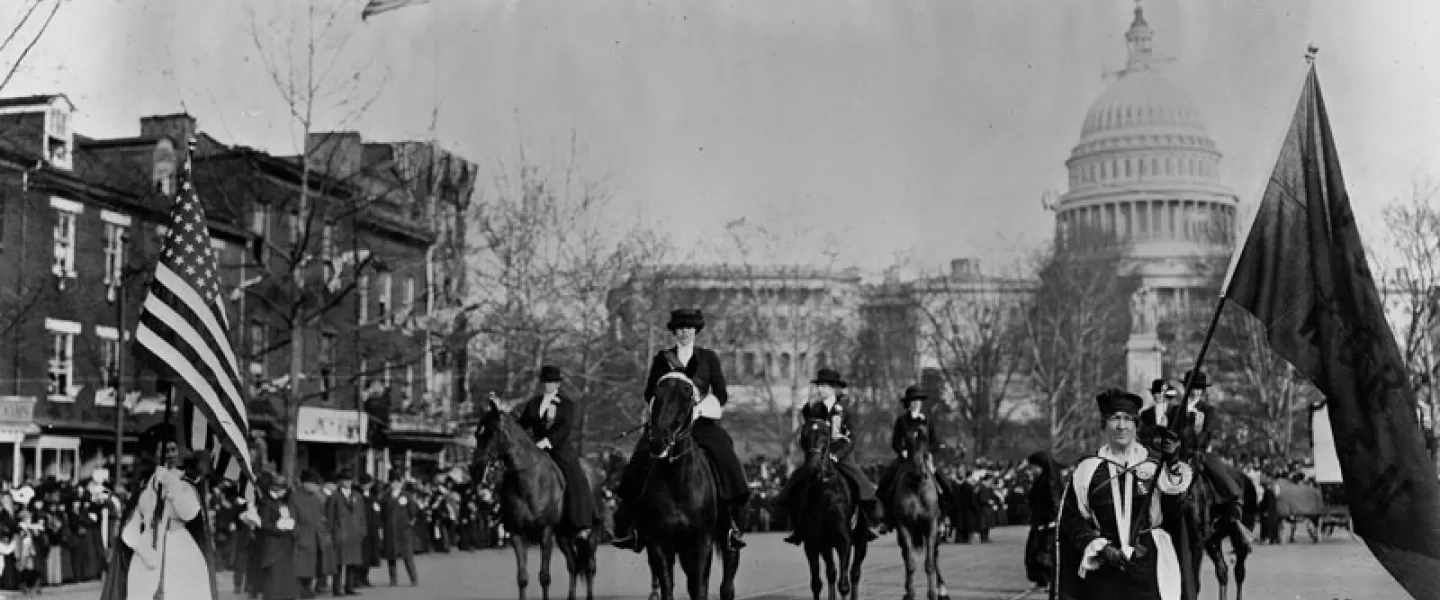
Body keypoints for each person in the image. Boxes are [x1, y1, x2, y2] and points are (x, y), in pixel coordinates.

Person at [611, 308, 751, 551]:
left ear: (696, 331)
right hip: (667, 423)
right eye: (680, 329)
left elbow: (720, 393)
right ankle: (632, 526)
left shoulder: (708, 358)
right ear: (674, 332)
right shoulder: (662, 358)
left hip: (700, 422)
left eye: (689, 329)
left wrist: (699, 408)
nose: (684, 333)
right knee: (640, 458)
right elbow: (649, 393)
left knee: (725, 454)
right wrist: (661, 414)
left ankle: (730, 524)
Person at [1054, 389, 1195, 600]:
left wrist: (1173, 462)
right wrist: (1098, 547)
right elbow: (1072, 520)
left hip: (1150, 566)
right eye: (1115, 419)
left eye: (1128, 419)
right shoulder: (1088, 470)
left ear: (1136, 425)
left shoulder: (1155, 466)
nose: (1122, 426)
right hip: (1105, 569)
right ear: (1104, 424)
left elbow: (1177, 511)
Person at [776, 369, 883, 545]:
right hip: (818, 456)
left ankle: (867, 523)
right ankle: (797, 524)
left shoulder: (845, 411)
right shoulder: (814, 409)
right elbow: (808, 433)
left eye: (824, 386)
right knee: (797, 480)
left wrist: (836, 455)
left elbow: (851, 438)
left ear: (833, 388)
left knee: (861, 483)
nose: (820, 389)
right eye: (819, 386)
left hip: (841, 457)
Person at [110, 423, 215, 600]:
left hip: (180, 551)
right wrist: (143, 550)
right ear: (155, 454)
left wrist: (170, 482)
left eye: (173, 449)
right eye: (164, 450)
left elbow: (189, 513)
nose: (170, 454)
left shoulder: (185, 483)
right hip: (147, 555)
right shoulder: (145, 486)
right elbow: (129, 528)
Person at [513, 365, 597, 538]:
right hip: (535, 449)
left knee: (574, 474)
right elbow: (523, 425)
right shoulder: (533, 404)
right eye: (545, 382)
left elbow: (565, 428)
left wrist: (548, 441)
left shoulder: (567, 404)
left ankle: (581, 520)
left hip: (559, 447)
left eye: (551, 382)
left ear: (557, 384)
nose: (547, 385)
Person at [875, 385, 944, 536]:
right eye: (913, 401)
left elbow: (935, 442)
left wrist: (928, 453)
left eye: (918, 400)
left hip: (924, 458)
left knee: (944, 483)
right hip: (905, 459)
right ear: (908, 403)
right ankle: (886, 519)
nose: (916, 403)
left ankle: (944, 517)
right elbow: (895, 442)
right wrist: (903, 451)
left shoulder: (928, 420)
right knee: (886, 482)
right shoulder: (902, 421)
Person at [256, 471, 301, 600]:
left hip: (284, 544)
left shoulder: (282, 503)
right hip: (273, 545)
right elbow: (265, 525)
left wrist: (290, 526)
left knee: (285, 576)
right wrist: (280, 527)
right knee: (274, 577)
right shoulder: (266, 503)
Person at [1023, 451, 1062, 591]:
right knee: (1035, 552)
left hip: (1047, 525)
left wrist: (1052, 520)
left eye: (1032, 467)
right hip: (1039, 523)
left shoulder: (1049, 482)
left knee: (1043, 553)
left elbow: (1054, 503)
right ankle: (1041, 580)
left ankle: (1045, 580)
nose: (1031, 470)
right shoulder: (1039, 481)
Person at [324, 470, 366, 596]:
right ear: (339, 481)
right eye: (345, 480)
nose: (347, 482)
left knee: (352, 562)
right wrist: (330, 532)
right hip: (340, 532)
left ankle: (349, 586)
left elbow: (362, 515)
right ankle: (336, 589)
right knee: (338, 562)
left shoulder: (357, 496)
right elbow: (330, 516)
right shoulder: (334, 496)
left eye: (349, 480)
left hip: (354, 533)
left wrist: (363, 530)